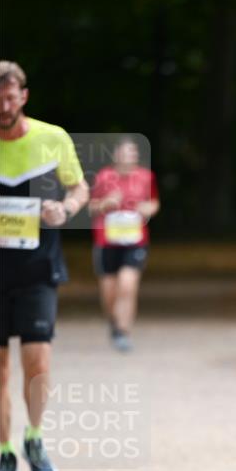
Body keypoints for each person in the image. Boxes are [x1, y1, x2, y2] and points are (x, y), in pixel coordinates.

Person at [0, 60, 89, 471]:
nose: (3, 105)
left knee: (36, 364)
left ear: (23, 97)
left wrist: (66, 209)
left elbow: (79, 187)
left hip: (38, 268)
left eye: (10, 96)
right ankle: (4, 452)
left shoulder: (52, 138)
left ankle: (34, 436)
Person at [89, 137, 159, 352]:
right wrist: (105, 203)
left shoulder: (146, 177)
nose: (130, 157)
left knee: (127, 285)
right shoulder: (104, 177)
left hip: (135, 240)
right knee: (109, 291)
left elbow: (154, 203)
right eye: (126, 153)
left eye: (134, 154)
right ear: (116, 155)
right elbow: (90, 208)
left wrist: (148, 209)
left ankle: (123, 331)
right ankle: (114, 323)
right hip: (106, 240)